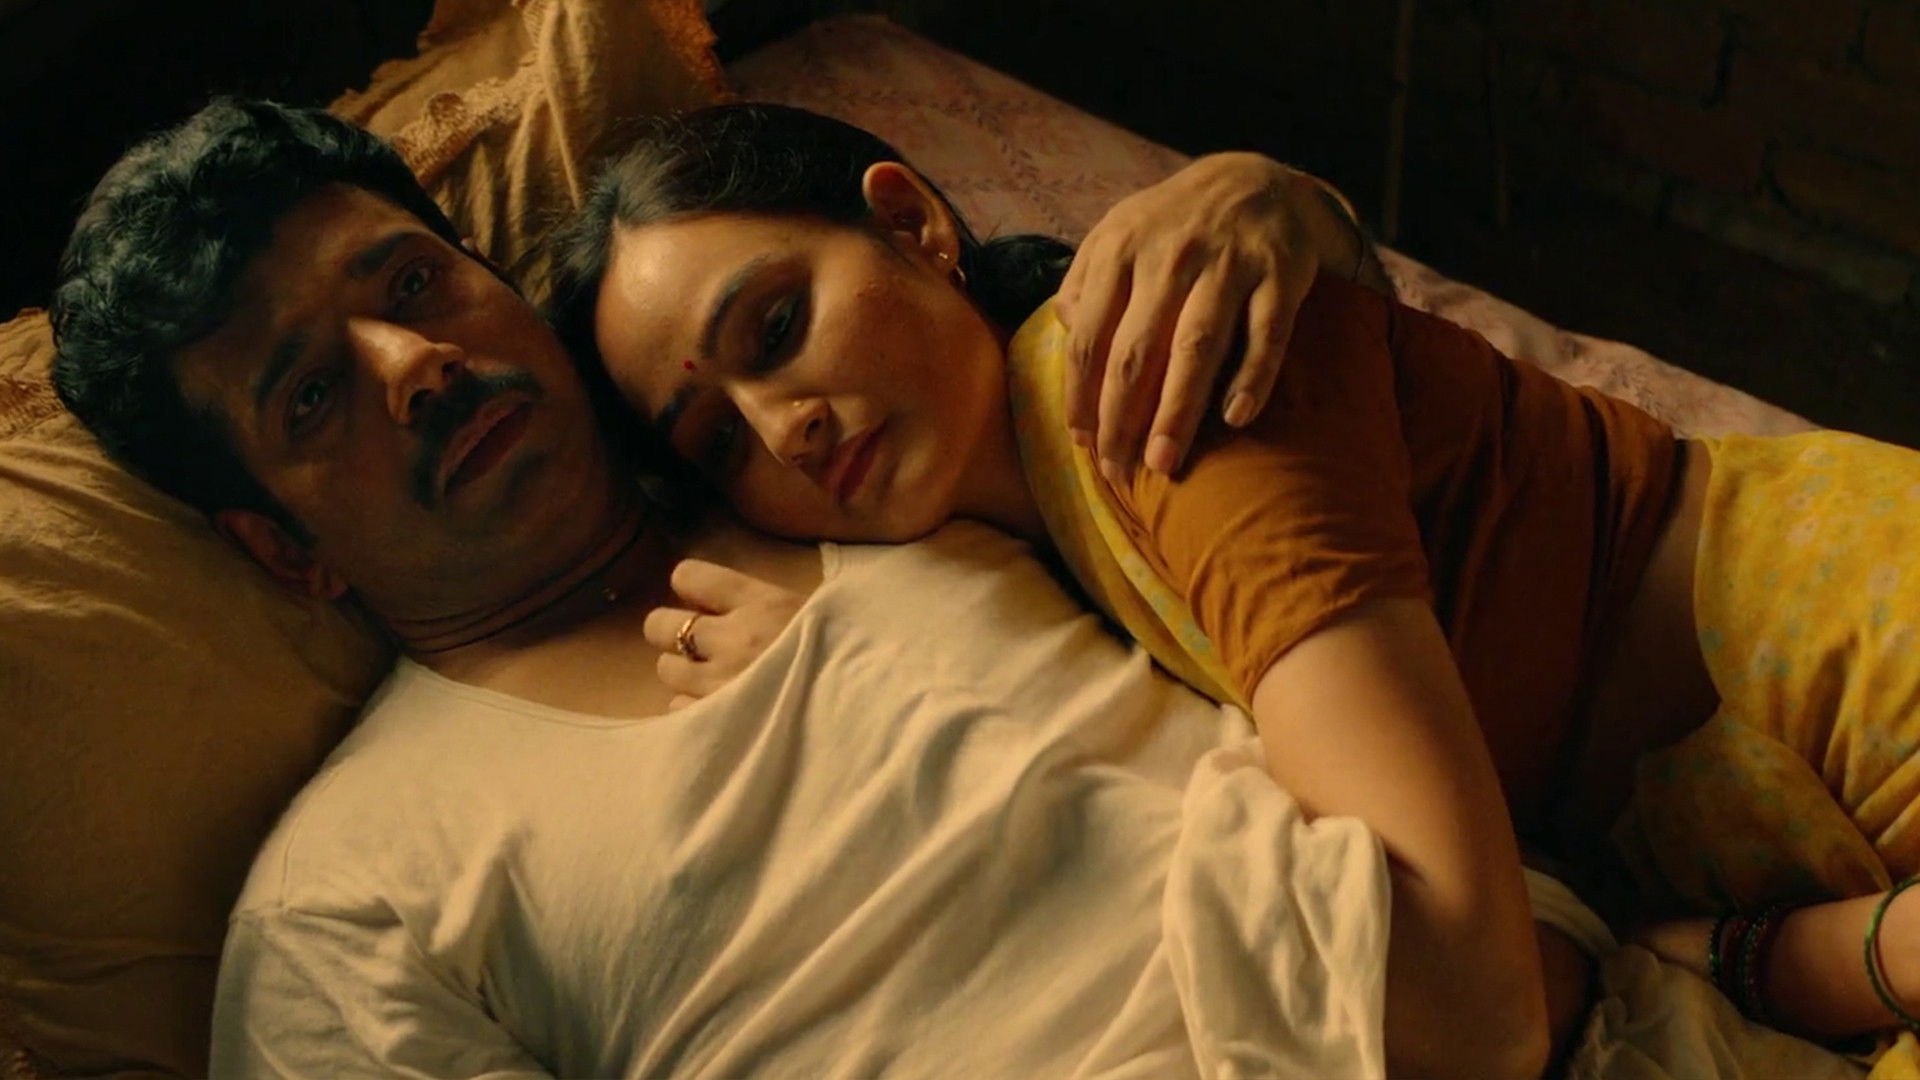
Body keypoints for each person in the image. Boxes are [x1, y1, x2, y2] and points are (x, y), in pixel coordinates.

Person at [48, 99, 1600, 1080]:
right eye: (312, 394)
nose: (415, 363)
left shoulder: (873, 462)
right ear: (286, 549)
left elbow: (1314, 503)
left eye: (411, 283)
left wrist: (1278, 198)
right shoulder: (350, 903)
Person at [548, 101, 1920, 1057]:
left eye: (776, 326)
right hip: (1733, 840)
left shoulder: (1159, 392)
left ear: (913, 224)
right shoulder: (1000, 548)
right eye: (717, 439)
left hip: (1845, 647)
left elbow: (1475, 1008)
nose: (784, 425)